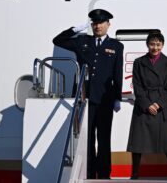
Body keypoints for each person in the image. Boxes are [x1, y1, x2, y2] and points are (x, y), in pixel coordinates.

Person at [53, 9, 124, 179]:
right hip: (86, 98)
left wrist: (117, 98)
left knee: (104, 138)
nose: (97, 26)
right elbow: (58, 40)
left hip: (106, 99)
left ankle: (105, 174)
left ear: (108, 24)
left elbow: (117, 73)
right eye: (94, 23)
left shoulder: (116, 46)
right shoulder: (82, 41)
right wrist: (75, 29)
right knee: (88, 138)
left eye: (101, 23)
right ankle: (91, 173)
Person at [127, 31, 167, 180]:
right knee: (137, 141)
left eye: (158, 44)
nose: (155, 47)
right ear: (147, 45)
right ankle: (135, 172)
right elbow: (137, 86)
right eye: (152, 44)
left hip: (162, 107)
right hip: (143, 106)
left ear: (162, 45)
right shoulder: (139, 62)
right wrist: (146, 104)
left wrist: (158, 104)